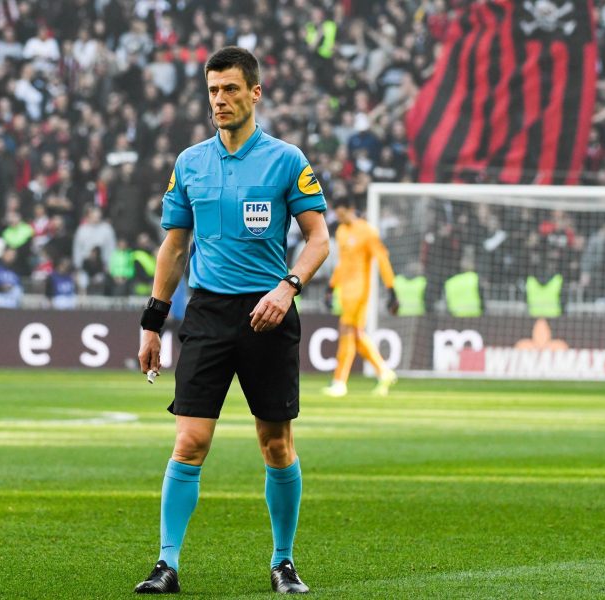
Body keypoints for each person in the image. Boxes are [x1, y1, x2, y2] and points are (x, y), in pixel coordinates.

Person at [135, 47, 329, 595]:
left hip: (268, 312)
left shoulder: (287, 160)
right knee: (190, 441)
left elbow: (319, 239)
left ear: (255, 93)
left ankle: (284, 561)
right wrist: (152, 322)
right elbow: (174, 248)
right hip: (208, 314)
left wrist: (288, 287)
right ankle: (166, 564)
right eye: (213, 90)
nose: (219, 100)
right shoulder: (190, 162)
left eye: (230, 90)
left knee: (275, 444)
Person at [321, 198, 399, 398]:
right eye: (337, 216)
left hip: (360, 291)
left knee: (346, 329)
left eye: (342, 214)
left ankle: (339, 381)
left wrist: (391, 289)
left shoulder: (367, 231)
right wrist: (331, 287)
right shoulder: (341, 232)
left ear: (351, 209)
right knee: (356, 334)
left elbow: (382, 259)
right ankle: (384, 371)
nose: (340, 219)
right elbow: (341, 264)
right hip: (344, 291)